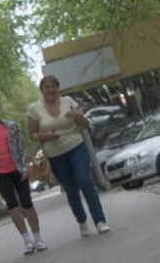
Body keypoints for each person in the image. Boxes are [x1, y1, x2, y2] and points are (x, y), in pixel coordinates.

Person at [27, 75, 110, 238]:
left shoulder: (69, 102)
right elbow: (32, 135)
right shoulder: (34, 109)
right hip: (55, 154)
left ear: (58, 88)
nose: (51, 89)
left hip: (76, 147)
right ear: (41, 89)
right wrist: (46, 136)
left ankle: (100, 221)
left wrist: (77, 116)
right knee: (71, 190)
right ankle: (81, 222)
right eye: (47, 87)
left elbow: (85, 126)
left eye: (53, 86)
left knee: (85, 181)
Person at [0, 98, 45, 253]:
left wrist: (26, 168)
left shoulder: (11, 126)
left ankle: (38, 238)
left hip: (18, 169)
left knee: (27, 203)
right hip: (0, 173)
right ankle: (27, 241)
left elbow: (21, 147)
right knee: (12, 205)